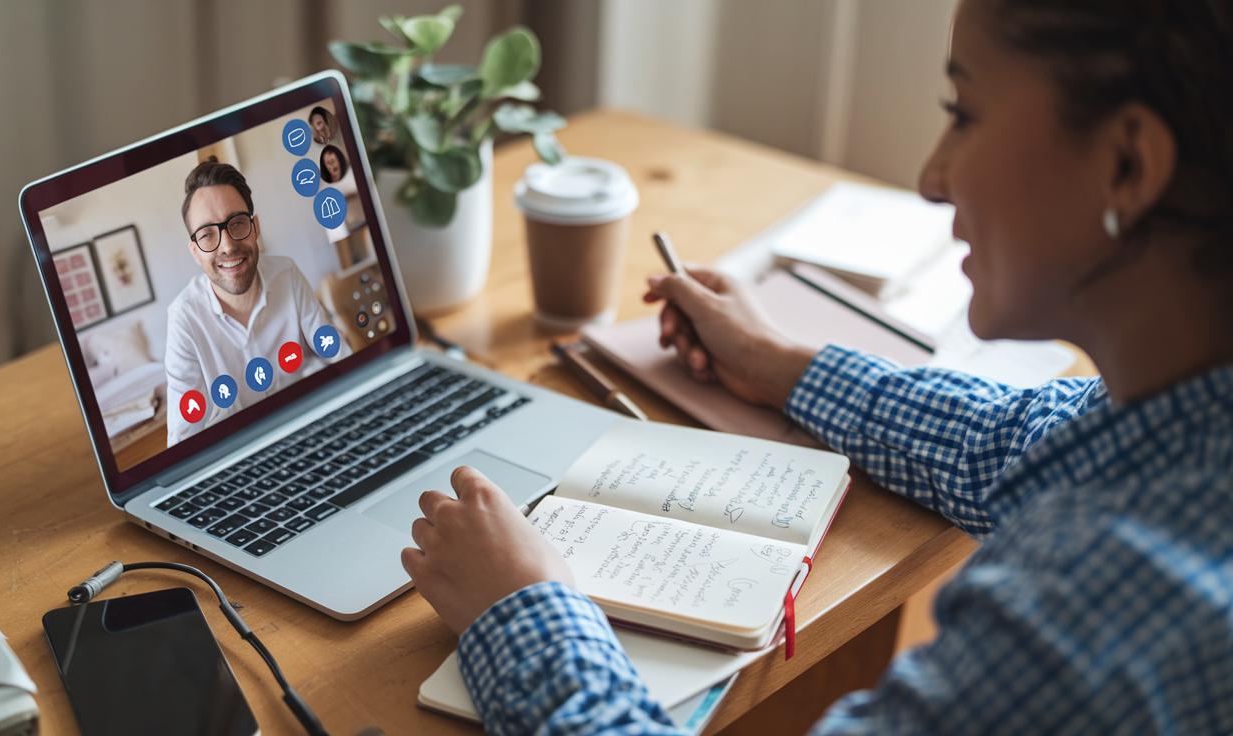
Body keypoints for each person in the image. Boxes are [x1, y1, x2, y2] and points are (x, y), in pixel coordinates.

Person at [400, 0, 1233, 733]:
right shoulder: (1188, 412)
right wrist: (776, 363)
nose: (933, 175)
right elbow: (1024, 442)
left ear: (1128, 163)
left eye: (964, 110)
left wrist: (523, 610)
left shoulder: (1097, 623)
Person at [165, 158, 351, 446]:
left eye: (237, 223)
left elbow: (339, 359)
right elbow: (183, 439)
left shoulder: (287, 273)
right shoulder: (183, 319)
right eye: (207, 235)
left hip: (311, 433)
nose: (227, 246)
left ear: (255, 228)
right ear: (195, 252)